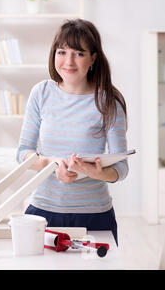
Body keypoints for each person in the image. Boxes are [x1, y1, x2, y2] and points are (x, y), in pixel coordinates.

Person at [17, 19, 128, 244]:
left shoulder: (108, 102)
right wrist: (52, 163)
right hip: (43, 211)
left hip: (95, 215)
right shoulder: (41, 93)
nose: (68, 61)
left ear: (93, 58)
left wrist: (95, 172)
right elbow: (23, 154)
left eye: (78, 53)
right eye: (61, 52)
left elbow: (122, 168)